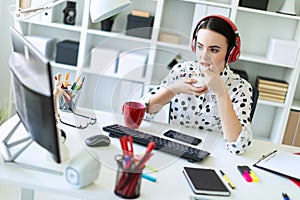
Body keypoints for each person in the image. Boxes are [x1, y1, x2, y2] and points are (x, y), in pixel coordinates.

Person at [140, 15, 253, 154]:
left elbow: (239, 146)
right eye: (200, 47)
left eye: (214, 50)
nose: (204, 56)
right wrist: (173, 89)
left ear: (230, 53)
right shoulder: (182, 71)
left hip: (213, 156)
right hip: (174, 150)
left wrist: (221, 92)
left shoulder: (241, 88)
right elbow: (140, 114)